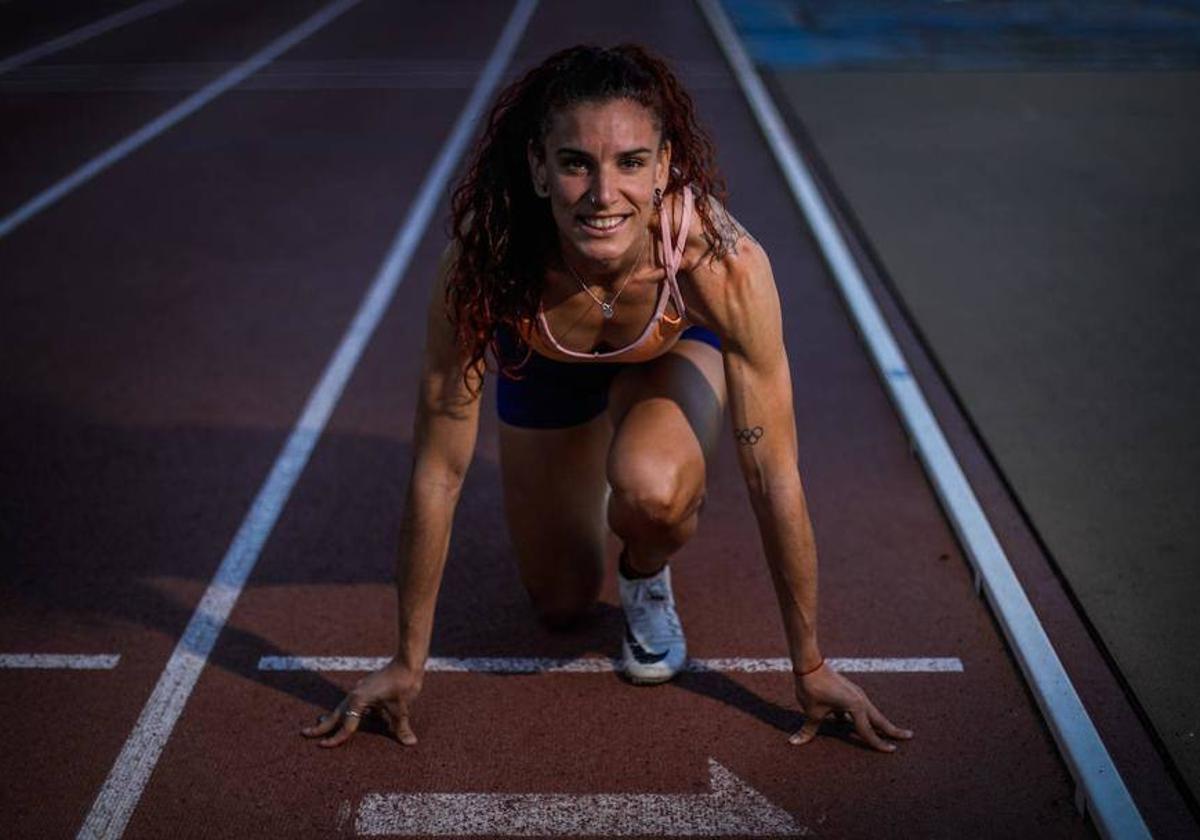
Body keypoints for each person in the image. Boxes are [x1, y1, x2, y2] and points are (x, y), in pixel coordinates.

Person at [302, 44, 912, 753]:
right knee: (559, 606)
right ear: (538, 167)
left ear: (663, 165)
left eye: (629, 162)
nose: (602, 194)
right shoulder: (485, 264)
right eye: (575, 164)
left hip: (669, 353)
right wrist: (407, 660)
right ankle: (590, 471)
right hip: (547, 365)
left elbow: (773, 474)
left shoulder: (720, 262)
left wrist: (809, 664)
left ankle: (645, 572)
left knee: (651, 492)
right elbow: (439, 470)